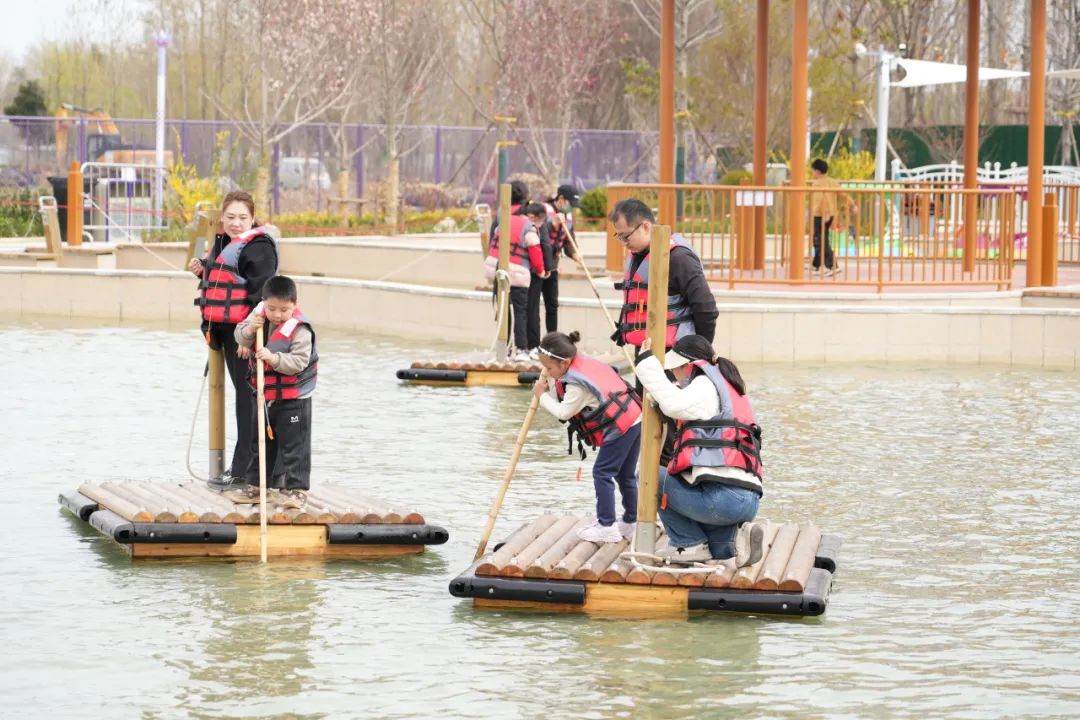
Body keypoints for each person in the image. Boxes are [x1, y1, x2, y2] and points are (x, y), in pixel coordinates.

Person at [634, 334, 765, 566]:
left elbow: (674, 403)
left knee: (649, 474)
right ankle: (735, 540)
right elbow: (679, 406)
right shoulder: (727, 387)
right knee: (715, 549)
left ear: (687, 365)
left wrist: (645, 360)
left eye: (675, 368)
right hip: (748, 500)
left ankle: (689, 543)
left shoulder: (704, 385)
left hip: (723, 500)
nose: (673, 374)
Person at [189, 190, 279, 490]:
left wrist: (247, 336)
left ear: (253, 218)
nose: (236, 223)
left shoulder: (260, 248)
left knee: (249, 398)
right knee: (244, 397)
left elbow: (260, 296)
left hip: (248, 334)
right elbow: (225, 276)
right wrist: (203, 267)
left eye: (242, 217)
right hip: (227, 333)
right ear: (222, 218)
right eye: (230, 217)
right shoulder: (224, 242)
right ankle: (243, 469)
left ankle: (247, 470)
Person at [533, 331, 642, 544]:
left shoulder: (576, 384)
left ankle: (607, 526)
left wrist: (540, 395)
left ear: (564, 364)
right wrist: (548, 387)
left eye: (549, 367)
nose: (546, 371)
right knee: (625, 474)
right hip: (635, 417)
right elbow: (566, 401)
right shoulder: (580, 364)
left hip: (622, 427)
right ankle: (631, 522)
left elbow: (564, 413)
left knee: (602, 473)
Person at [227, 275, 317, 509]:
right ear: (264, 302)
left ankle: (296, 490)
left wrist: (273, 358)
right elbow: (240, 336)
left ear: (294, 305)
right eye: (272, 308)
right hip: (265, 396)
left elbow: (298, 362)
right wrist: (249, 330)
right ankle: (257, 486)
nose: (277, 315)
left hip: (294, 399)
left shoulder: (300, 330)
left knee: (294, 447)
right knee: (261, 443)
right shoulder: (258, 316)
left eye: (284, 310)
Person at [608, 198, 718, 353]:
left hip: (675, 352)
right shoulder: (637, 254)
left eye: (626, 236)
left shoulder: (679, 257)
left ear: (646, 226)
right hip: (645, 347)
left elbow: (706, 307)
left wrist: (701, 350)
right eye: (619, 237)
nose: (624, 243)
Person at [483, 181, 546, 360]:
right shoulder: (526, 223)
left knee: (503, 309)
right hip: (517, 272)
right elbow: (534, 247)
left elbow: (492, 242)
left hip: (496, 269)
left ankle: (504, 350)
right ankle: (521, 349)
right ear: (526, 198)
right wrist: (540, 270)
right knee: (520, 311)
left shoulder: (501, 218)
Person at [809, 158, 854, 276]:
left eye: (813, 171)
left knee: (820, 240)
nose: (812, 173)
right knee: (819, 238)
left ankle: (832, 266)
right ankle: (816, 265)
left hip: (821, 216)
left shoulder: (817, 184)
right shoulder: (832, 181)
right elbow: (844, 194)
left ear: (817, 171)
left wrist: (825, 213)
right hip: (831, 214)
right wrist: (853, 205)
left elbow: (822, 200)